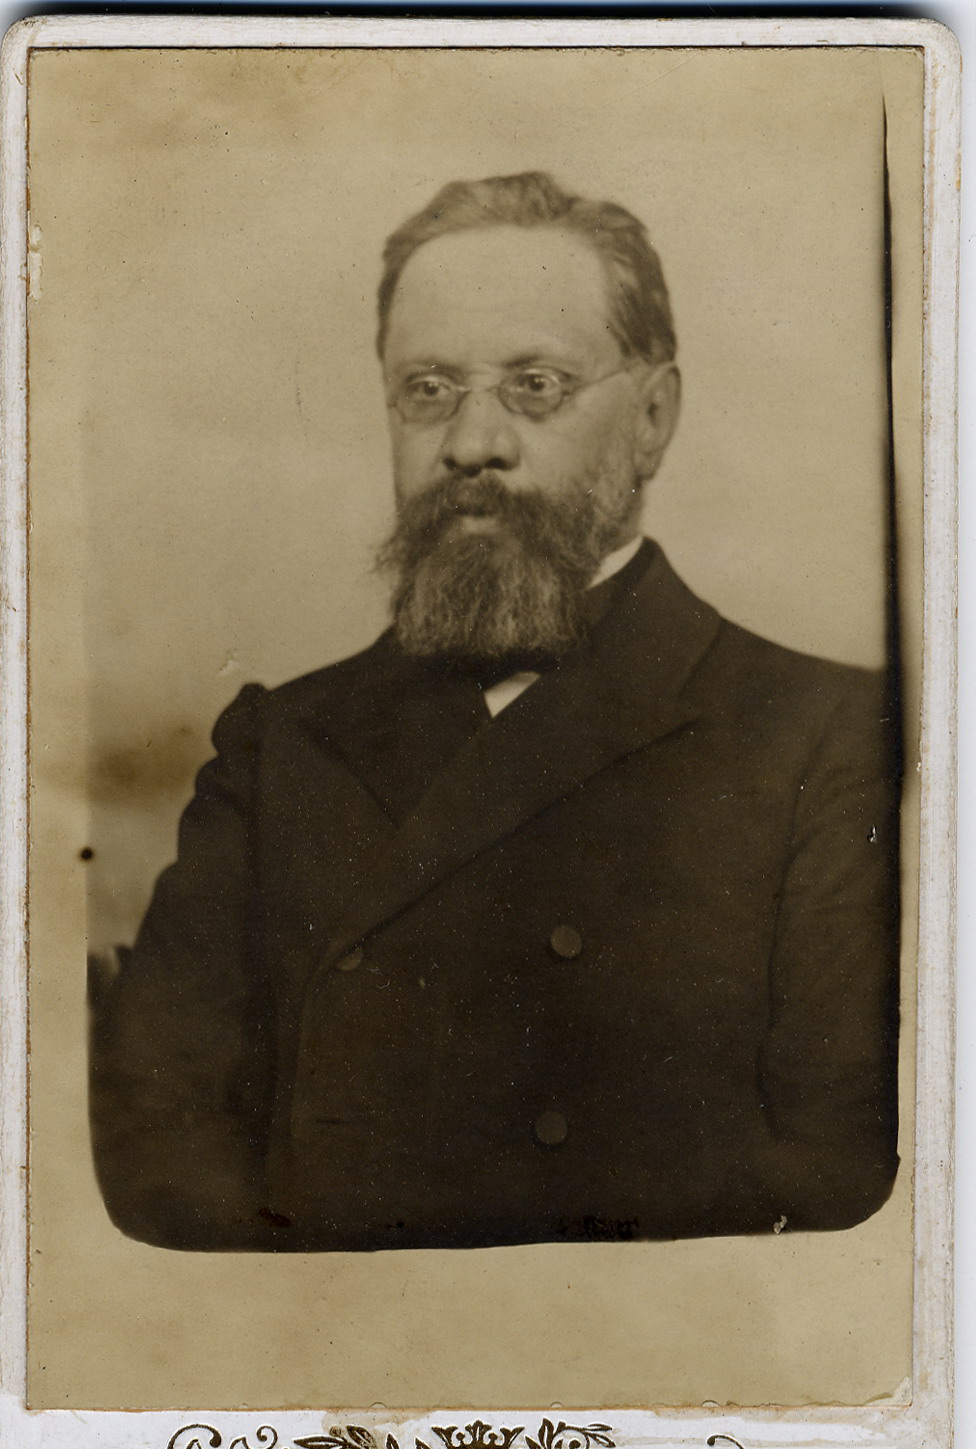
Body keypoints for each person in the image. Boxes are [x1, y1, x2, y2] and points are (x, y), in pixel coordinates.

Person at [91, 171, 900, 1253]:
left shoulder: (828, 737)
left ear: (652, 418)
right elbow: (154, 1148)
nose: (472, 444)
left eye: (535, 386)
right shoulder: (279, 747)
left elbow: (836, 1184)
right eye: (428, 389)